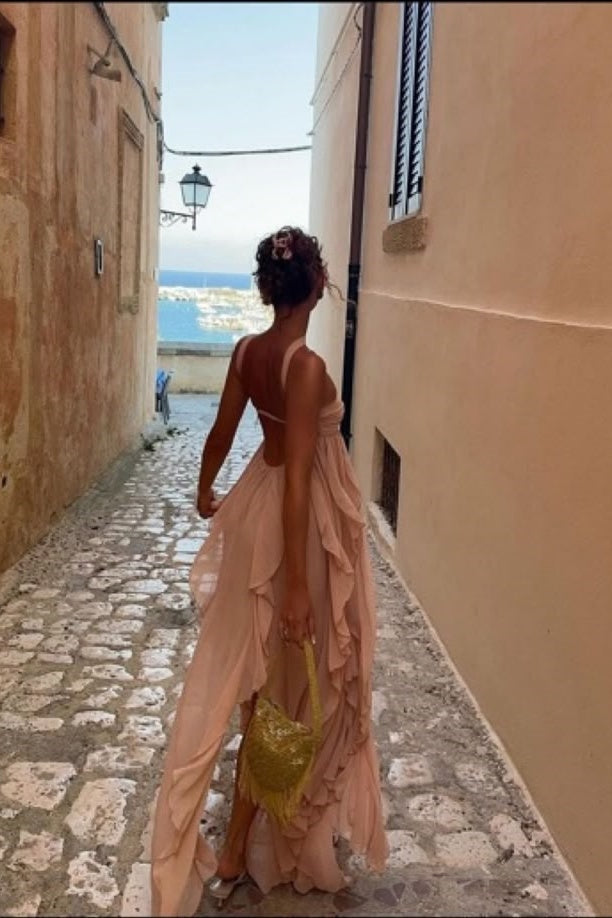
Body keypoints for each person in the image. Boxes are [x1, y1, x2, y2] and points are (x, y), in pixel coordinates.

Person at [150, 226, 388, 917]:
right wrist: (297, 590)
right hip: (298, 529)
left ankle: (256, 828)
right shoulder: (304, 366)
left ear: (266, 289)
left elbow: (222, 431)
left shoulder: (247, 351)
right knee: (280, 688)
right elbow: (300, 481)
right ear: (316, 287)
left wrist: (205, 488)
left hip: (260, 502)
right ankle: (236, 846)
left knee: (265, 681)